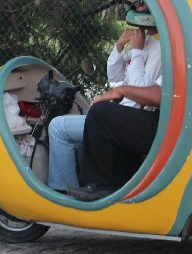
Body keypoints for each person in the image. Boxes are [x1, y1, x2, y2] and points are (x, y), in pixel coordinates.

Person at [46, 0, 162, 193]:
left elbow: (140, 86)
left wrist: (137, 52)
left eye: (141, 3)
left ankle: (62, 191)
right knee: (90, 116)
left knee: (58, 127)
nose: (134, 7)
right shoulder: (144, 41)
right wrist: (120, 46)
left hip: (134, 114)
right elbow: (114, 76)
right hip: (124, 111)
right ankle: (75, 184)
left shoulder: (159, 47)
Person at [68, 67, 164, 201]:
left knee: (99, 113)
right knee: (115, 121)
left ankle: (100, 185)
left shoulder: (184, 53)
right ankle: (122, 187)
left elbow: (161, 94)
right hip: (166, 120)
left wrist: (121, 90)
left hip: (168, 124)